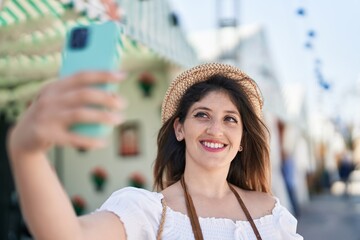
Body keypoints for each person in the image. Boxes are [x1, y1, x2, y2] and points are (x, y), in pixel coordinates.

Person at [8, 63, 303, 239]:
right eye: (202, 114)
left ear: (241, 141)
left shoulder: (270, 211)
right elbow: (68, 236)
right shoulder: (148, 212)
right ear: (179, 129)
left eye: (230, 119)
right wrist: (26, 152)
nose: (216, 129)